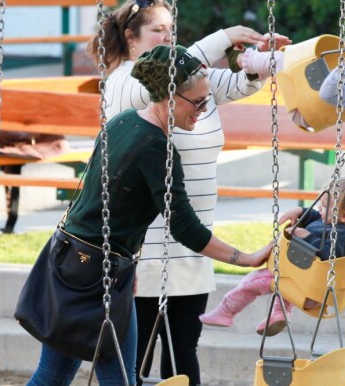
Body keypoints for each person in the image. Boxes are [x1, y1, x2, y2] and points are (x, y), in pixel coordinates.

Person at [26, 45, 272, 386]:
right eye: (197, 102)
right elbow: (185, 227)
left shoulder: (123, 122)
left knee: (55, 376)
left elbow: (101, 201)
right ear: (170, 98)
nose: (203, 110)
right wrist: (247, 258)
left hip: (74, 261)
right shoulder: (157, 148)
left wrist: (128, 260)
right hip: (99, 274)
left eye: (207, 100)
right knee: (112, 379)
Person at [88, 1, 290, 385]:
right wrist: (222, 38)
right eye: (158, 31)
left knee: (184, 355)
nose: (169, 37)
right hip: (144, 245)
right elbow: (172, 72)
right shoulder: (125, 83)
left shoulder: (190, 83)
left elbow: (230, 83)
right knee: (134, 359)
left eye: (170, 29)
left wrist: (257, 63)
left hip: (196, 238)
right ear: (131, 39)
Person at [199, 176, 345, 337]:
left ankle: (226, 313)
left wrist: (307, 237)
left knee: (251, 282)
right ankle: (279, 314)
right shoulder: (338, 223)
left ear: (344, 216)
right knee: (286, 281)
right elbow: (318, 219)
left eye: (324, 206)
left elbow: (331, 255)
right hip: (302, 281)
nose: (319, 210)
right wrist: (300, 211)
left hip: (310, 290)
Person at [233, 47, 345, 126]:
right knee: (295, 57)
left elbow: (327, 94)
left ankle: (242, 59)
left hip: (305, 111)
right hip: (309, 94)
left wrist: (343, 71)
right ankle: (260, 66)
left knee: (284, 61)